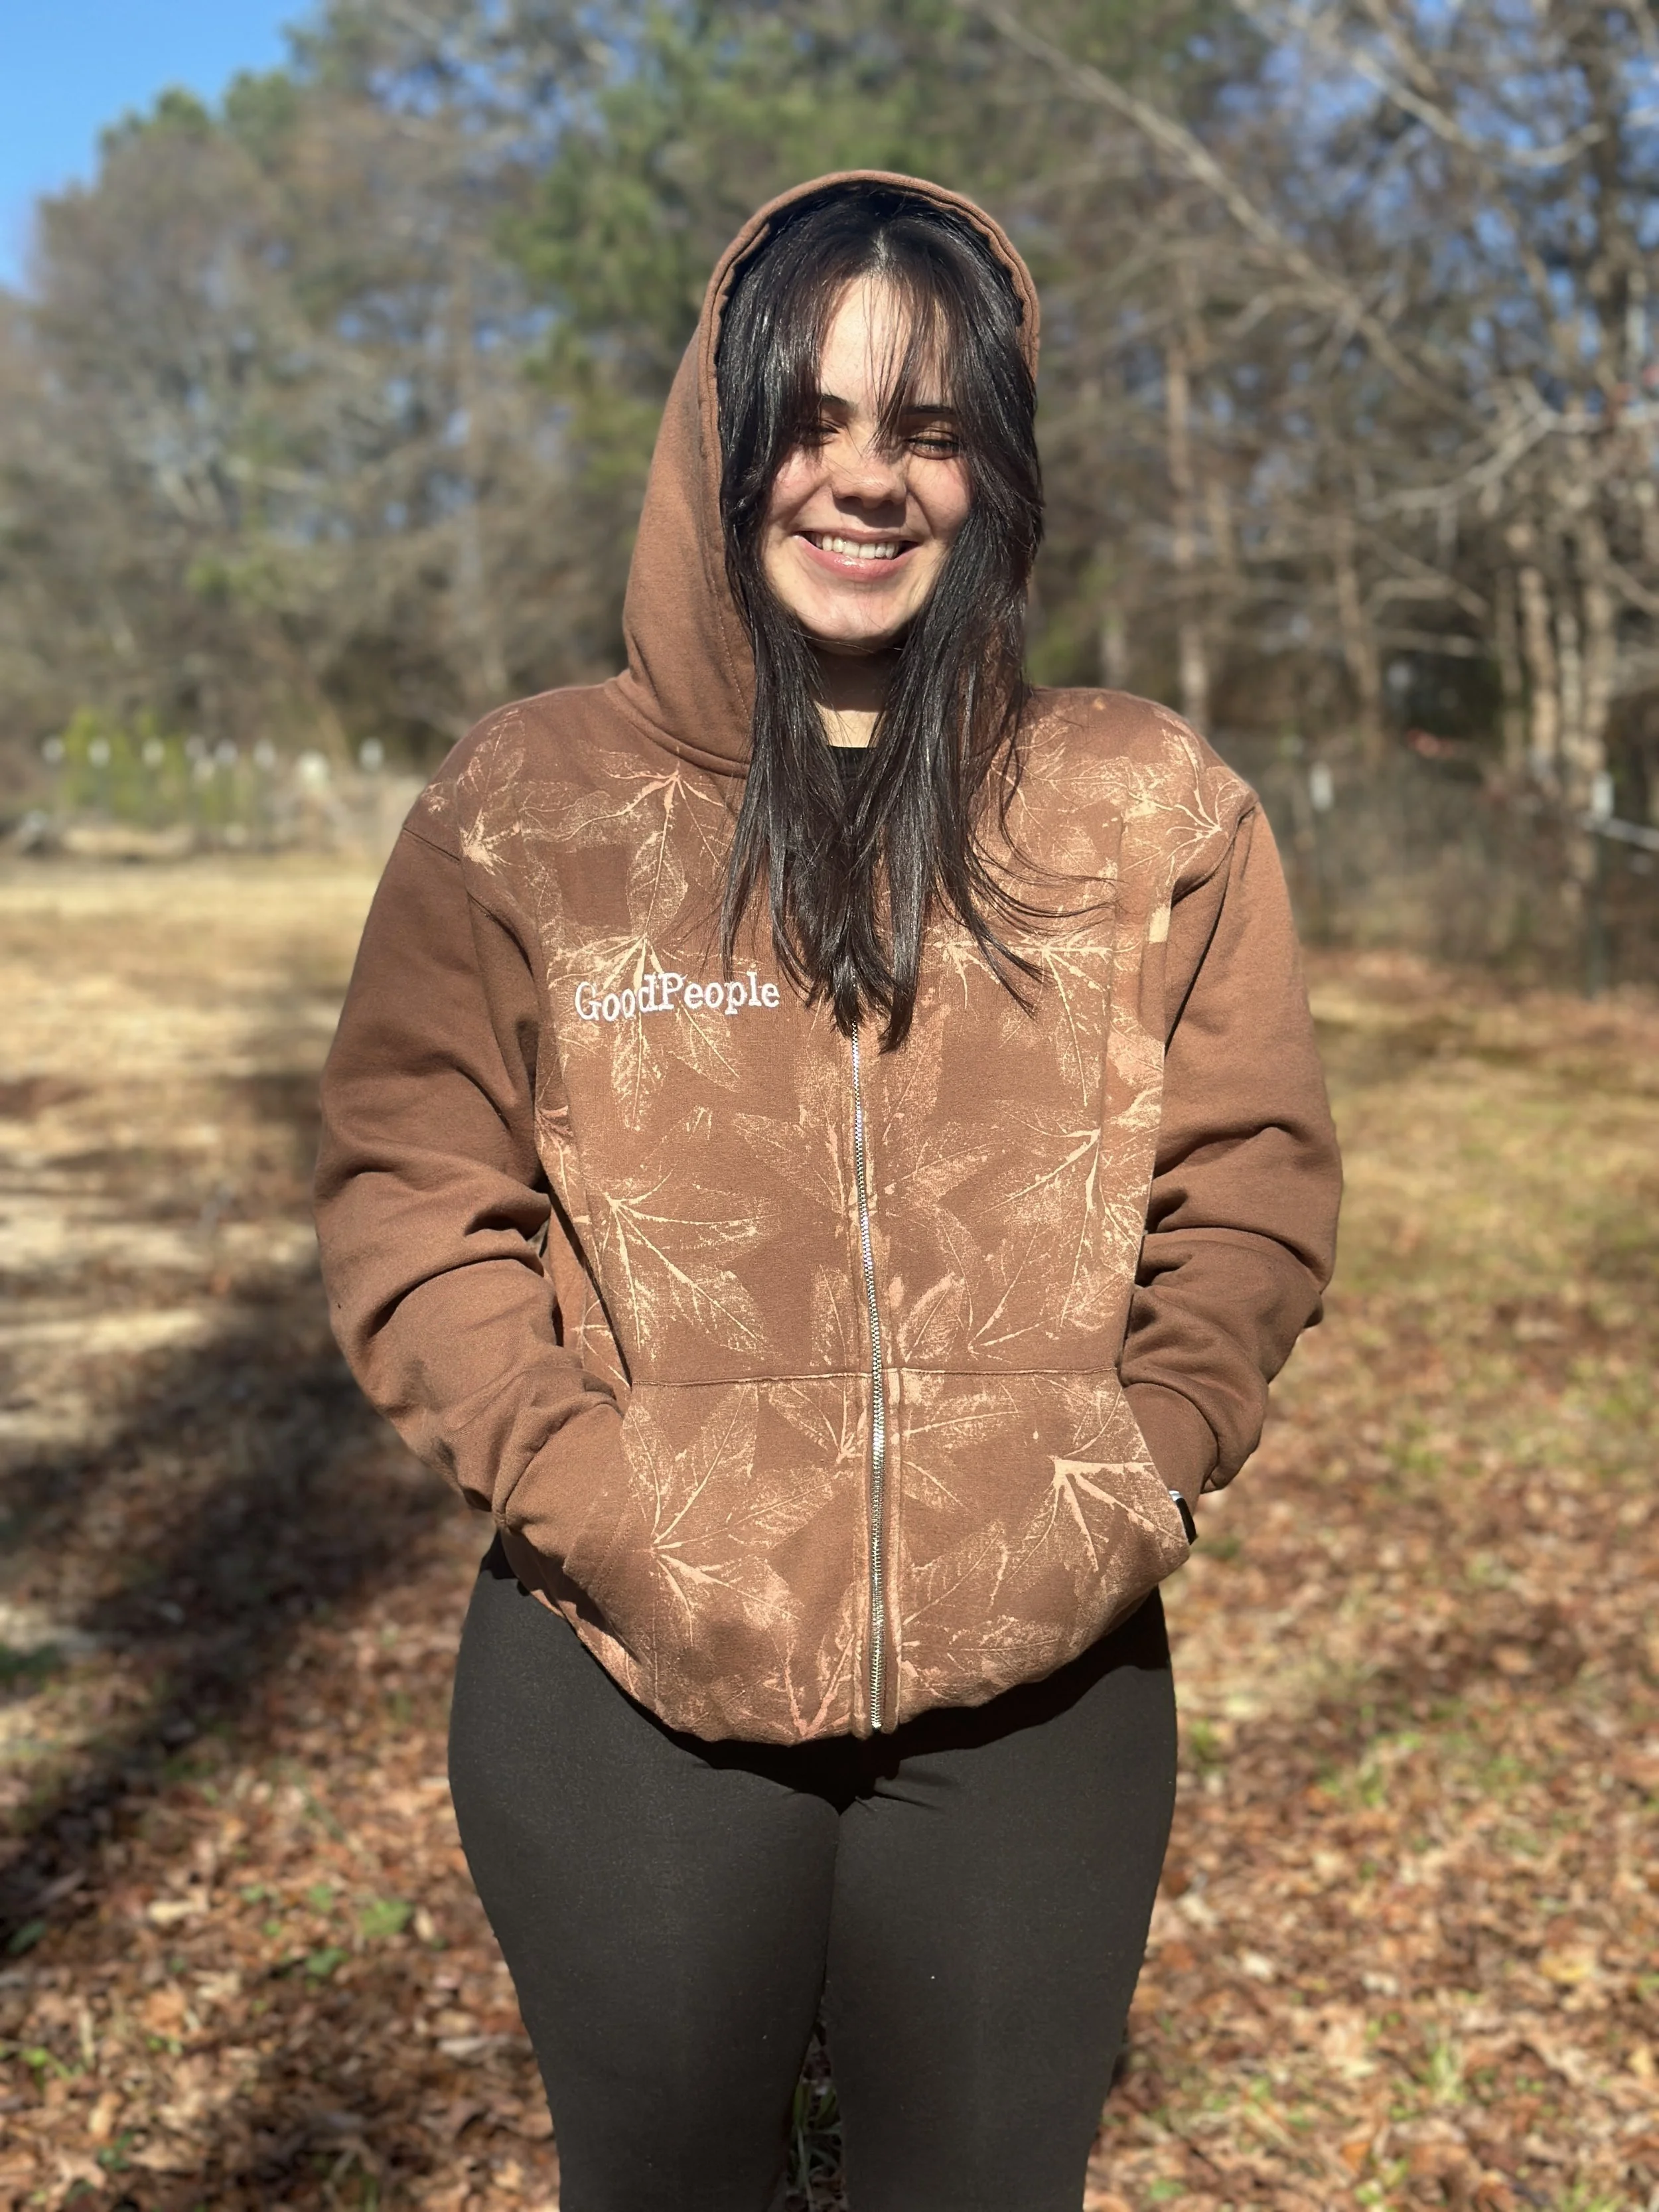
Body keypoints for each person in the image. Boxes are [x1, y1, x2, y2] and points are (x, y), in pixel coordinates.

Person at [314, 173, 1340, 2212]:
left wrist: (1126, 1466)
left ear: (994, 468)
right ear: (724, 436)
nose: (866, 479)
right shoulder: (532, 802)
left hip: (1039, 1686)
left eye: (931, 428)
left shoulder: (1141, 805)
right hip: (627, 1681)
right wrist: (592, 1489)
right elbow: (412, 1186)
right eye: (814, 417)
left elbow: (1251, 1186)